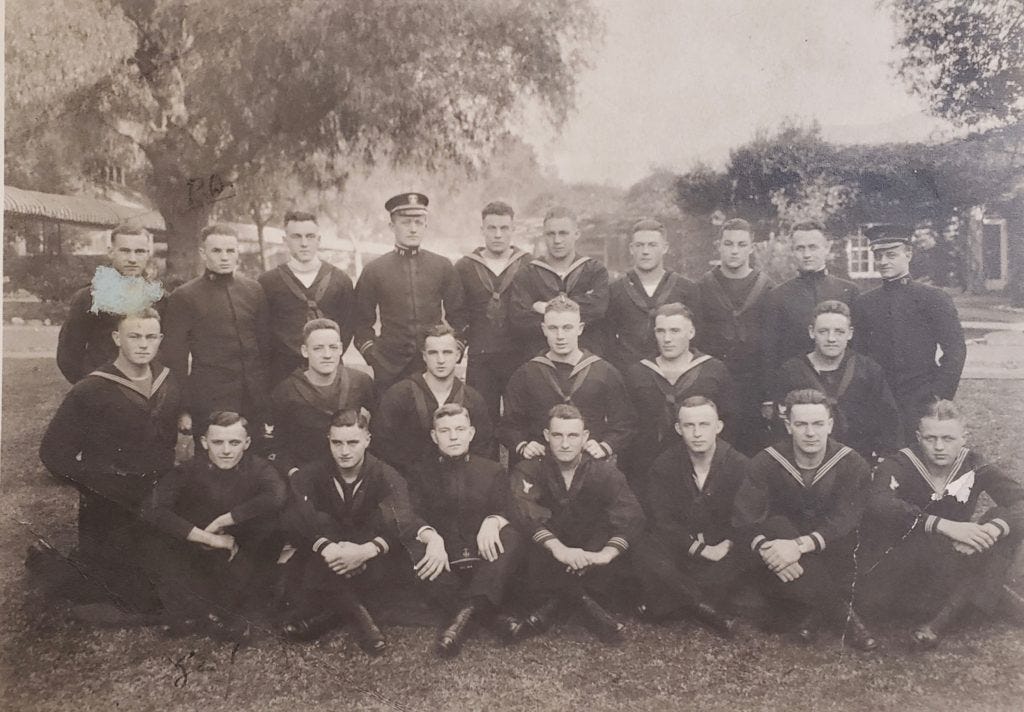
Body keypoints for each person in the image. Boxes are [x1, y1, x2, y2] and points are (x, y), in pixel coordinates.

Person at [36, 308, 183, 621]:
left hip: (157, 496)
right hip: (110, 502)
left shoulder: (169, 381)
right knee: (126, 595)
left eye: (150, 337)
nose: (143, 344)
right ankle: (51, 565)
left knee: (178, 584)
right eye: (134, 336)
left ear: (160, 340)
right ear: (117, 338)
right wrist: (95, 483)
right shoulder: (91, 389)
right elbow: (53, 452)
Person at [860, 400, 1024, 648]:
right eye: (930, 438)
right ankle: (987, 597)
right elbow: (877, 503)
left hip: (951, 560)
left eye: (948, 439)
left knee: (1000, 516)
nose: (939, 447)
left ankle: (939, 623)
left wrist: (992, 530)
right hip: (903, 566)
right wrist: (943, 525)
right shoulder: (901, 462)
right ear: (918, 436)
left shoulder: (974, 464)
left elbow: (1020, 501)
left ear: (963, 438)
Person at [281, 409, 444, 655]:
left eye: (352, 443)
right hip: (327, 556)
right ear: (328, 440)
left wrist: (365, 551)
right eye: (337, 443)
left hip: (369, 559)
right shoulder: (310, 474)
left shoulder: (386, 475)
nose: (344, 451)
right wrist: (330, 548)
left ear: (367, 440)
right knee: (312, 556)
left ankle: (330, 617)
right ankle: (362, 621)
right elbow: (294, 519)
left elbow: (402, 519)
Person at [732, 388, 877, 650]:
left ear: (830, 425)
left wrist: (798, 547)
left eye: (818, 424)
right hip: (781, 555)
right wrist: (770, 552)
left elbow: (847, 519)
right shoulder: (766, 461)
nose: (810, 433)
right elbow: (744, 517)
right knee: (778, 525)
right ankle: (846, 619)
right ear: (788, 426)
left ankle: (812, 617)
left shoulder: (852, 463)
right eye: (801, 424)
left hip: (831, 548)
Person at [143, 412, 287, 642]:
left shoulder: (259, 468)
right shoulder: (188, 470)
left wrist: (224, 520)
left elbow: (276, 496)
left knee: (272, 527)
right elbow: (153, 508)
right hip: (199, 550)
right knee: (159, 538)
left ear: (247, 443)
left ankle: (233, 610)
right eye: (217, 442)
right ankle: (196, 608)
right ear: (203, 442)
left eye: (235, 442)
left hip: (240, 552)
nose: (226, 450)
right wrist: (209, 538)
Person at [508, 405, 645, 644]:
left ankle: (552, 607)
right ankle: (582, 602)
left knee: (613, 533)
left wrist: (605, 554)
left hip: (590, 555)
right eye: (558, 435)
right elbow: (523, 512)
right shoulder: (529, 469)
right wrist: (560, 550)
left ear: (585, 438)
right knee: (523, 534)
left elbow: (632, 514)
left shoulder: (604, 472)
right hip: (549, 554)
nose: (565, 443)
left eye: (572, 436)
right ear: (547, 436)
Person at [404, 404, 525, 656]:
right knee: (415, 546)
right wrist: (431, 537)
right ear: (434, 436)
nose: (453, 436)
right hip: (444, 561)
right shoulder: (419, 472)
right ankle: (489, 616)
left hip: (484, 560)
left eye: (460, 429)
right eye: (445, 431)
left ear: (471, 433)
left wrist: (493, 520)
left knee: (511, 537)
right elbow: (410, 515)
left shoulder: (492, 470)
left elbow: (510, 510)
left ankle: (460, 621)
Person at [631, 397, 747, 635]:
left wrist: (727, 544)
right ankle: (704, 608)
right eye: (689, 426)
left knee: (747, 553)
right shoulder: (664, 464)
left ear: (718, 427)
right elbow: (662, 520)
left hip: (724, 551)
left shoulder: (740, 464)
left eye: (704, 425)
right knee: (644, 546)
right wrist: (698, 549)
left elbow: (747, 516)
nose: (697, 433)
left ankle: (668, 601)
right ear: (678, 428)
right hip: (683, 551)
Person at [852, 224, 966, 440]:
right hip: (878, 400)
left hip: (922, 399)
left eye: (891, 255)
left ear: (909, 254)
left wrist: (938, 394)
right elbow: (858, 354)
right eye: (878, 255)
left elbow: (956, 350)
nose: (883, 261)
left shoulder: (934, 298)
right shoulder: (864, 303)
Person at [161, 223, 271, 435]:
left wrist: (265, 397)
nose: (224, 257)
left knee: (254, 457)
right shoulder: (185, 297)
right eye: (216, 251)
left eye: (230, 250)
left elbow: (264, 348)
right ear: (203, 253)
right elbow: (176, 359)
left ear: (238, 252)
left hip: (253, 399)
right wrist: (184, 408)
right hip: (210, 399)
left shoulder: (253, 290)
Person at [353, 192, 466, 394]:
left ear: (425, 225)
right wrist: (374, 356)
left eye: (418, 222)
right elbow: (360, 322)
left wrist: (453, 351)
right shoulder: (375, 270)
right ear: (392, 226)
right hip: (389, 368)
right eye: (406, 222)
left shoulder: (441, 266)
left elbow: (459, 316)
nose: (413, 229)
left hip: (432, 366)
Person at [500, 296, 635, 465]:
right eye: (553, 328)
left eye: (567, 328)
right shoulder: (526, 373)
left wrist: (605, 446)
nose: (560, 336)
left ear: (580, 329)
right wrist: (523, 445)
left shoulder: (604, 372)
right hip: (542, 463)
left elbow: (624, 423)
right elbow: (509, 425)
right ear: (543, 329)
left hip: (587, 463)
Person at [623, 303, 735, 495]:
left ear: (691, 332)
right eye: (660, 331)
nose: (667, 339)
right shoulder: (638, 372)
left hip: (701, 465)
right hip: (648, 466)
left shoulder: (714, 370)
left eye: (675, 331)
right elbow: (628, 424)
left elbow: (729, 421)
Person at [770, 300, 901, 461]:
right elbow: (781, 426)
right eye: (823, 331)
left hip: (859, 460)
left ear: (850, 333)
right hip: (806, 461)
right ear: (812, 332)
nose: (831, 338)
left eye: (839, 332)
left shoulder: (868, 370)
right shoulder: (791, 371)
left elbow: (888, 421)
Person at [691, 218, 774, 455]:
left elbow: (771, 344)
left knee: (753, 449)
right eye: (728, 244)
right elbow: (695, 339)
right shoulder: (703, 286)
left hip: (753, 384)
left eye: (741, 244)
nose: (734, 250)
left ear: (751, 248)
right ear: (719, 246)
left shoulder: (766, 287)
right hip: (714, 382)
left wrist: (768, 395)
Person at [373, 324, 494, 473]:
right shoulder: (399, 394)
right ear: (424, 356)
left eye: (447, 352)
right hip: (411, 481)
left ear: (458, 355)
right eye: (433, 353)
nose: (440, 360)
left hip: (459, 482)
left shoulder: (473, 399)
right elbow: (383, 445)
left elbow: (483, 448)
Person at [268, 318, 376, 476]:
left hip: (351, 469)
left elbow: (380, 427)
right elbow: (275, 443)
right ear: (305, 351)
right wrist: (292, 471)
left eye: (333, 347)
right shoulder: (286, 391)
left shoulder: (360, 381)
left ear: (340, 348)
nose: (327, 355)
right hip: (307, 470)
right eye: (318, 348)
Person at [57, 225, 165, 384]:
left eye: (140, 251)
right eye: (125, 251)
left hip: (148, 390)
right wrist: (91, 386)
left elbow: (169, 352)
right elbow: (68, 355)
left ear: (149, 254)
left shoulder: (160, 298)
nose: (132, 259)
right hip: (102, 390)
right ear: (111, 252)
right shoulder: (88, 298)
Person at [258, 210, 355, 386]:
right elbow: (262, 331)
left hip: (329, 374)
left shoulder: (340, 280)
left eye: (310, 236)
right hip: (281, 375)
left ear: (319, 240)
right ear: (285, 240)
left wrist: (326, 357)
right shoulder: (267, 282)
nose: (304, 243)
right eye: (296, 237)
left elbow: (347, 327)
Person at [455, 201, 533, 421]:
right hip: (481, 357)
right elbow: (457, 312)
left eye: (504, 228)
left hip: (519, 355)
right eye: (492, 228)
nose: (498, 234)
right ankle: (485, 457)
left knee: (519, 418)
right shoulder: (464, 267)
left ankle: (521, 457)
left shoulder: (529, 264)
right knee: (481, 417)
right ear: (483, 230)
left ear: (513, 230)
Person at [760, 220, 859, 378]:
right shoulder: (777, 296)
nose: (807, 255)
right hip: (796, 382)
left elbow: (858, 345)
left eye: (813, 247)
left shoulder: (849, 291)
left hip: (842, 381)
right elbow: (770, 352)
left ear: (827, 248)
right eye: (800, 248)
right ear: (792, 251)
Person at [508, 206, 609, 358]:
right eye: (551, 234)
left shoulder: (594, 270)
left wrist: (545, 307)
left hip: (586, 359)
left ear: (576, 234)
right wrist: (575, 310)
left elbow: (597, 309)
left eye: (563, 233)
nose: (557, 240)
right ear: (543, 236)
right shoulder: (527, 274)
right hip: (540, 359)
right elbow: (520, 319)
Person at [606, 218, 697, 373]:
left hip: (675, 375)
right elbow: (607, 340)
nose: (645, 251)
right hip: (628, 376)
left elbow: (696, 337)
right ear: (631, 248)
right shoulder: (615, 290)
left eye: (652, 245)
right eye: (639, 245)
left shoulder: (686, 288)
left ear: (665, 248)